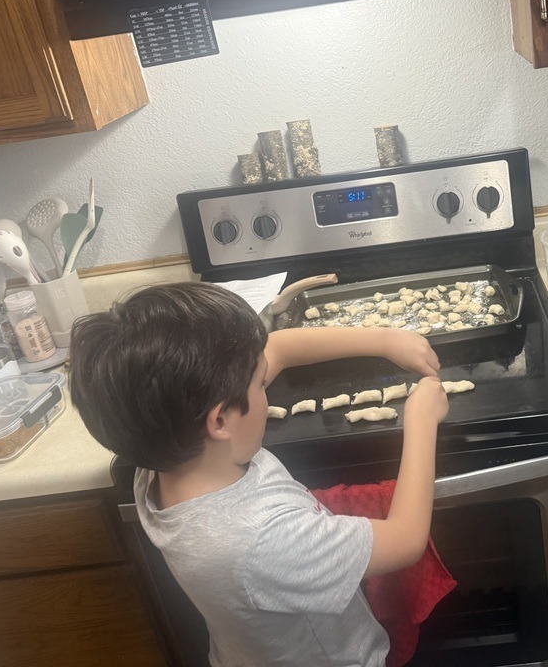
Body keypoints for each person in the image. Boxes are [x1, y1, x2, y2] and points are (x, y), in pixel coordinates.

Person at [68, 281, 449, 667]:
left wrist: (384, 340)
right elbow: (405, 540)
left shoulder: (163, 448)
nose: (266, 386)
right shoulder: (262, 541)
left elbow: (278, 348)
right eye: (259, 383)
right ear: (220, 420)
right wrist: (420, 421)